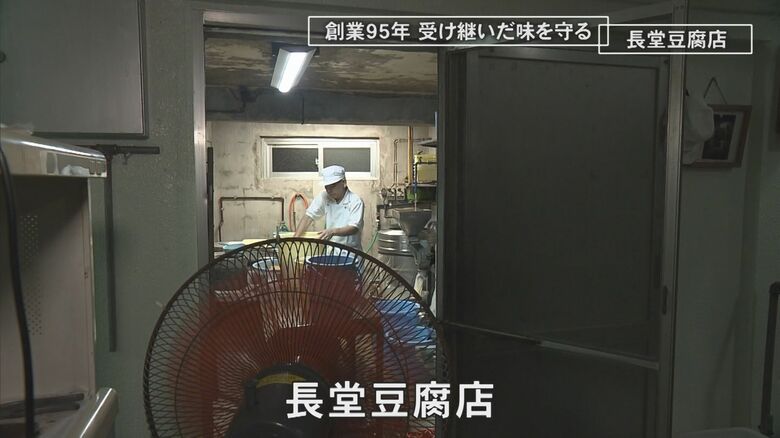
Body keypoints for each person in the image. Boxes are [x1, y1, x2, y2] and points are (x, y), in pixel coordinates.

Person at [294, 165, 364, 250]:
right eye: (327, 186)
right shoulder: (324, 196)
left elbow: (354, 228)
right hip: (331, 251)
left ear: (344, 183)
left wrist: (333, 231)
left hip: (350, 252)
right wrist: (294, 239)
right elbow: (308, 217)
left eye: (333, 186)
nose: (329, 190)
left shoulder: (355, 201)